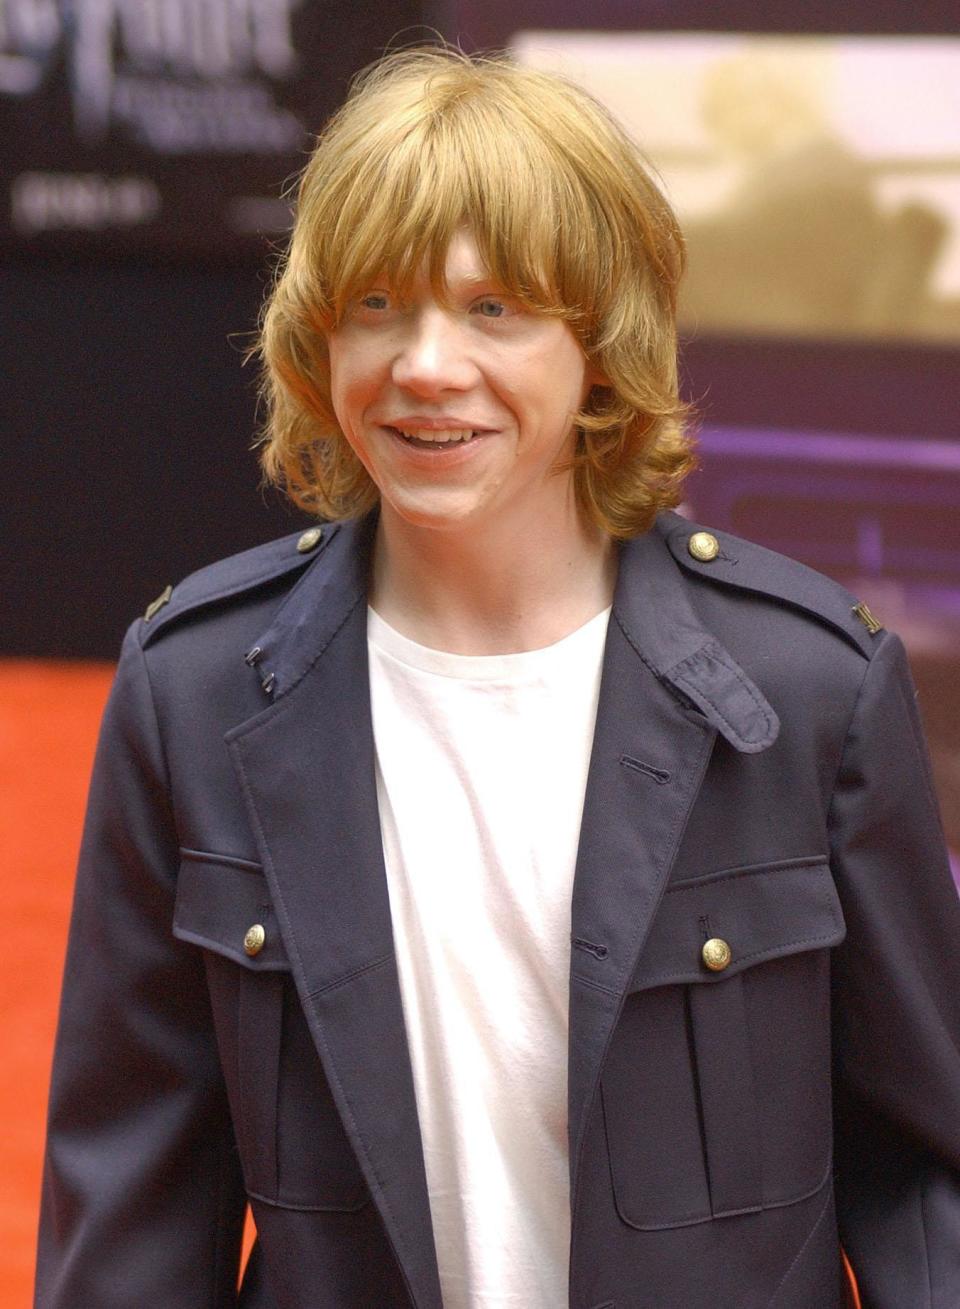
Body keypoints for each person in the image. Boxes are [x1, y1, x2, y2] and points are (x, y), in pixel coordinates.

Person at [36, 46, 960, 1309]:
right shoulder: (191, 693)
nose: (424, 365)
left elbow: (926, 1182)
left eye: (493, 310)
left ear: (600, 345)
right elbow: (132, 1208)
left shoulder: (808, 689)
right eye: (377, 305)